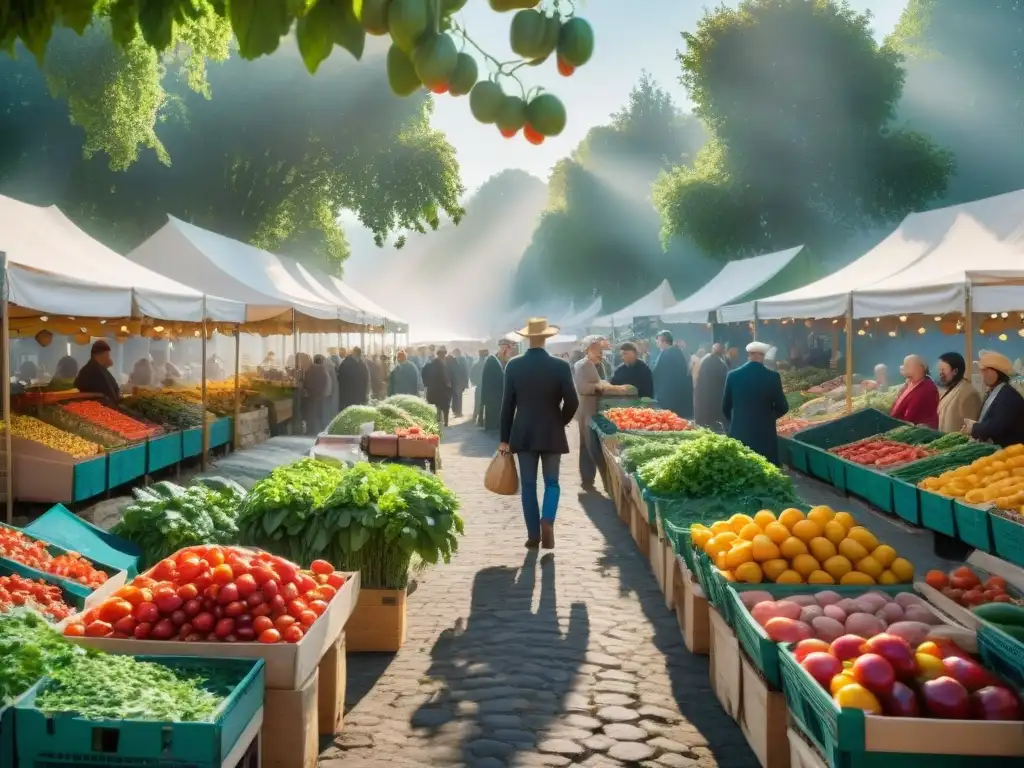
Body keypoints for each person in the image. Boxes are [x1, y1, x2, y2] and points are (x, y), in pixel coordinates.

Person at [499, 319, 579, 549]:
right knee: (552, 483)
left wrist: (504, 438)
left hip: (523, 433)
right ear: (546, 338)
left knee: (528, 485)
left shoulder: (513, 365)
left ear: (526, 339)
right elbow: (572, 402)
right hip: (552, 433)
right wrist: (559, 421)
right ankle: (548, 519)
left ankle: (533, 534)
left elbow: (507, 406)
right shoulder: (561, 366)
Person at [722, 341, 789, 464]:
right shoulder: (773, 377)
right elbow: (783, 407)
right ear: (763, 356)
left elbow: (725, 406)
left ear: (749, 355)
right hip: (764, 434)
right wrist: (768, 418)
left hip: (739, 432)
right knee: (765, 469)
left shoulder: (732, 375)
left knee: (741, 467)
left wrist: (735, 421)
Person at [962, 352, 1024, 447]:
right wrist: (975, 425)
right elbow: (993, 421)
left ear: (994, 373)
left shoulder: (1008, 396)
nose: (981, 374)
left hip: (1009, 455)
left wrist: (974, 428)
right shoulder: (997, 392)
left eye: (984, 370)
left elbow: (998, 427)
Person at [573, 335, 611, 491]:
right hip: (586, 409)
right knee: (589, 445)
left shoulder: (603, 364)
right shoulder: (581, 365)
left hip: (599, 408)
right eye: (596, 349)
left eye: (601, 349)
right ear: (588, 349)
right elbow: (583, 388)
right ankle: (588, 478)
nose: (600, 352)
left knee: (596, 444)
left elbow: (606, 381)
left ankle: (596, 478)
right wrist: (599, 386)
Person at [651, 330, 693, 419]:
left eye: (657, 341)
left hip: (666, 394)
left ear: (663, 341)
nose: (657, 344)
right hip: (679, 393)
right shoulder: (678, 352)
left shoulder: (665, 353)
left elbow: (656, 372)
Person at [890, 354, 940, 428]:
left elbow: (910, 417)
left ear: (920, 368)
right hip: (898, 425)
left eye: (908, 366)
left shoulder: (926, 388)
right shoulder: (910, 383)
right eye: (905, 365)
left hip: (916, 431)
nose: (904, 369)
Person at [937, 352, 982, 433]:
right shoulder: (949, 389)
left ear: (955, 371)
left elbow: (970, 429)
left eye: (943, 370)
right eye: (940, 370)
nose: (941, 374)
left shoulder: (969, 393)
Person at [479, 339, 516, 431]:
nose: (511, 351)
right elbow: (488, 383)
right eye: (509, 348)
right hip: (494, 400)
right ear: (503, 348)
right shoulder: (492, 361)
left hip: (501, 400)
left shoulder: (506, 361)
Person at [694, 343, 729, 429]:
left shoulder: (705, 361)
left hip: (703, 392)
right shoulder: (722, 364)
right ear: (723, 352)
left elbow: (699, 376)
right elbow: (724, 380)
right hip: (716, 394)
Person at [74, 340, 121, 405]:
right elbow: (107, 392)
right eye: (107, 355)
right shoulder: (92, 370)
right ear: (101, 354)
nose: (109, 357)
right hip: (101, 408)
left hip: (106, 406)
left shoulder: (97, 368)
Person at [303, 354, 334, 435]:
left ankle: (311, 430)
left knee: (311, 414)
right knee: (321, 414)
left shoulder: (308, 370)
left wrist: (309, 391)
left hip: (311, 395)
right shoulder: (324, 370)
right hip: (322, 396)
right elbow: (326, 384)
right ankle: (321, 430)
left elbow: (305, 383)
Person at [422, 348, 453, 426]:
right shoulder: (442, 365)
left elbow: (424, 372)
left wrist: (426, 383)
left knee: (438, 405)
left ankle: (439, 420)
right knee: (444, 406)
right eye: (442, 355)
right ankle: (444, 421)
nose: (443, 356)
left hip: (434, 389)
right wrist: (449, 384)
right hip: (442, 389)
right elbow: (445, 377)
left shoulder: (431, 364)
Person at [336, 347, 370, 411]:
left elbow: (340, 379)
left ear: (353, 353)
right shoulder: (362, 365)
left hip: (348, 396)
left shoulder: (345, 364)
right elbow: (366, 380)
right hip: (359, 395)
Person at [447, 349, 469, 418]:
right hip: (456, 381)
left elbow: (465, 371)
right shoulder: (456, 360)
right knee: (456, 396)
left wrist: (466, 382)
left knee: (457, 396)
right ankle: (456, 411)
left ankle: (458, 411)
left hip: (458, 381)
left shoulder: (461, 360)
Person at [470, 349, 488, 423]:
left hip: (479, 386)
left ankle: (476, 417)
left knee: (478, 403)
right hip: (486, 386)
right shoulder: (488, 363)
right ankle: (483, 418)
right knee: (486, 403)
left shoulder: (476, 364)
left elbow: (472, 375)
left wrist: (475, 382)